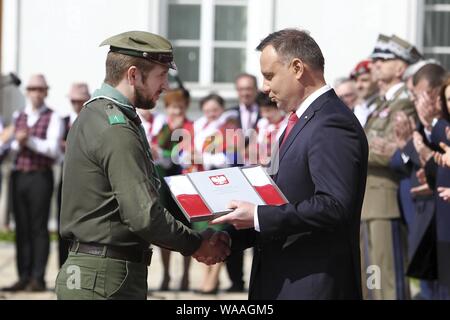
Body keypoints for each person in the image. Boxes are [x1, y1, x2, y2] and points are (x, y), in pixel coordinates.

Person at [55, 31, 230, 300]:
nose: (166, 86)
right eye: (161, 75)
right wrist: (196, 243)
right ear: (134, 75)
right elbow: (143, 215)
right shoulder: (117, 128)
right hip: (106, 277)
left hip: (94, 272)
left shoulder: (93, 114)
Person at [211, 28, 368, 300]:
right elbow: (283, 199)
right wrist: (231, 237)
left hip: (312, 284)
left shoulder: (331, 122)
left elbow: (334, 206)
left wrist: (258, 216)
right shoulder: (303, 120)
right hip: (283, 279)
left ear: (297, 68)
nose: (264, 87)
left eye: (269, 75)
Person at [361, 34, 421, 300]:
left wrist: (356, 148)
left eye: (383, 60)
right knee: (372, 276)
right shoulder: (379, 105)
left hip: (386, 199)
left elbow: (394, 151)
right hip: (369, 200)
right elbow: (375, 144)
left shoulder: (405, 102)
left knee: (389, 276)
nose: (375, 64)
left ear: (400, 67)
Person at [1, 74, 64, 292]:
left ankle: (38, 277)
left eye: (40, 89)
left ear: (45, 92)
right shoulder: (19, 115)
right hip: (19, 175)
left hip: (40, 175)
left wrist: (29, 140)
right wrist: (17, 143)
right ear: (27, 92)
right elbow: (10, 150)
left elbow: (53, 150)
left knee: (38, 228)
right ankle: (23, 275)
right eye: (33, 89)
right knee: (21, 227)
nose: (36, 93)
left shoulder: (53, 117)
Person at [57, 82, 91, 267]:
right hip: (66, 177)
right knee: (64, 224)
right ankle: (63, 265)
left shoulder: (92, 121)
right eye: (74, 101)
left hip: (86, 180)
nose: (77, 104)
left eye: (81, 100)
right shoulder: (62, 121)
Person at [350, 59, 379, 127]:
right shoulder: (357, 109)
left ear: (376, 80)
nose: (358, 86)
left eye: (364, 80)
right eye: (356, 81)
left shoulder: (385, 104)